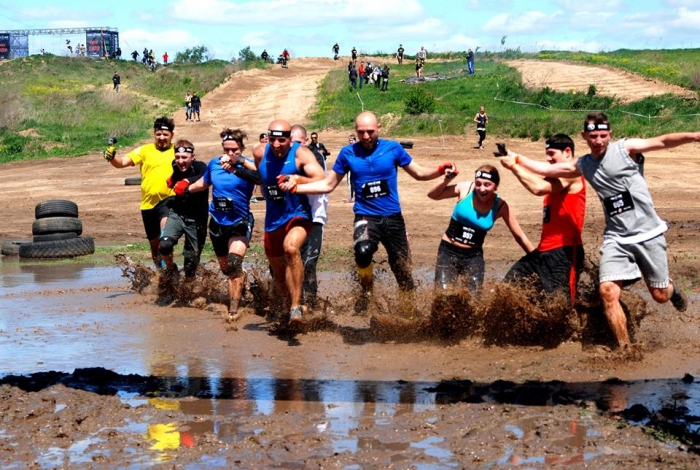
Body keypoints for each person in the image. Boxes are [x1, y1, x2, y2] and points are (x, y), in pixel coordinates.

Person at [512, 112, 693, 350]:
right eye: (593, 136)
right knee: (607, 291)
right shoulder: (584, 165)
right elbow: (550, 170)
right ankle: (625, 348)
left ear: (610, 134)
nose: (599, 141)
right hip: (616, 238)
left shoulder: (626, 149)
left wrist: (696, 136)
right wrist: (515, 159)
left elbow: (663, 141)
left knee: (659, 296)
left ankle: (671, 288)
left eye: (603, 135)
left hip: (647, 233)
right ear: (584, 136)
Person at [282, 111, 456, 313]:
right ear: (355, 131)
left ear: (379, 128)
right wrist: (297, 186)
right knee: (363, 252)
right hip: (365, 216)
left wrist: (440, 170)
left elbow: (419, 173)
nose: (366, 137)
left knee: (402, 269)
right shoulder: (348, 154)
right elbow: (328, 184)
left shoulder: (393, 149)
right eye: (361, 132)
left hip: (393, 218)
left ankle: (408, 310)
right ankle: (367, 290)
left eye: (370, 132)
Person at [499, 135, 586, 305]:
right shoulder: (555, 177)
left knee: (559, 307)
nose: (548, 158)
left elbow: (537, 188)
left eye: (552, 153)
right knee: (509, 287)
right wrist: (511, 155)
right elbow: (538, 175)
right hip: (542, 252)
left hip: (565, 253)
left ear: (567, 152)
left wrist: (514, 166)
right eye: (546, 154)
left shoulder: (572, 174)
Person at [184, 128, 260, 322]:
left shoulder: (248, 166)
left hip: (239, 221)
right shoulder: (214, 164)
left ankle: (233, 310)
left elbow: (262, 176)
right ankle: (241, 282)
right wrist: (185, 189)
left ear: (242, 148)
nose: (230, 153)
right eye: (226, 150)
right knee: (227, 269)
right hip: (217, 223)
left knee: (234, 263)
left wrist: (238, 165)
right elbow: (204, 182)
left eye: (234, 149)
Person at [254, 120, 325, 323]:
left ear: (289, 139)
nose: (277, 145)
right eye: (273, 140)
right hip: (273, 219)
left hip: (298, 213)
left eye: (282, 140)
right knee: (277, 271)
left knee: (291, 249)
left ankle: (296, 306)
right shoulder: (259, 152)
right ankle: (288, 307)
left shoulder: (300, 153)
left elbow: (321, 178)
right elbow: (261, 178)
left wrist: (298, 179)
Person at [428, 164, 533, 293]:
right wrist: (447, 179)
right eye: (478, 184)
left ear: (495, 186)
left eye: (487, 185)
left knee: (474, 301)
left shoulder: (501, 206)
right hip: (448, 251)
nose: (481, 189)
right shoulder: (466, 189)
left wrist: (540, 259)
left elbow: (520, 236)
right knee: (443, 295)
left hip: (473, 257)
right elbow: (433, 195)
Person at [103, 116, 176, 270]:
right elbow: (122, 163)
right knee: (154, 244)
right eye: (158, 134)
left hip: (169, 201)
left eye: (165, 134)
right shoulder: (145, 150)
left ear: (171, 135)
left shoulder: (177, 151)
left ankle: (170, 270)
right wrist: (112, 157)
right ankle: (161, 274)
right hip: (148, 204)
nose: (162, 138)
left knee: (165, 239)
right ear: (154, 134)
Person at [159, 140, 209, 283]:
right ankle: (171, 269)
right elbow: (176, 175)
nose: (180, 161)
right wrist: (173, 179)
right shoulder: (175, 165)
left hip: (197, 219)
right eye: (177, 157)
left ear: (192, 156)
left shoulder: (201, 167)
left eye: (184, 157)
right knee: (165, 245)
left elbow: (205, 177)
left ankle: (189, 293)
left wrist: (187, 181)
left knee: (190, 263)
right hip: (177, 214)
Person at [291, 125, 329, 309]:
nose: (294, 147)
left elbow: (319, 179)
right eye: (291, 143)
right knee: (288, 260)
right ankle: (290, 302)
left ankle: (311, 305)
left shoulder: (315, 156)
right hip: (293, 216)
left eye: (298, 142)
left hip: (314, 217)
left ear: (305, 141)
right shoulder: (287, 158)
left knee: (309, 263)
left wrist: (293, 179)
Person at [344, 135, 356, 203]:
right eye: (350, 140)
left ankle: (351, 197)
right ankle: (354, 197)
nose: (351, 142)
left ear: (355, 140)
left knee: (351, 182)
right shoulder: (357, 148)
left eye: (352, 140)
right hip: (353, 167)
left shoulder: (351, 149)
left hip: (352, 168)